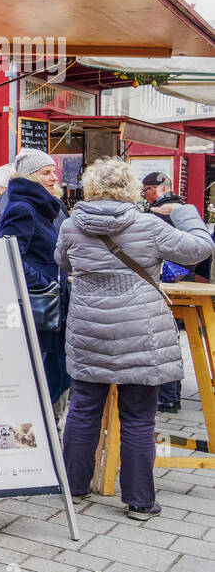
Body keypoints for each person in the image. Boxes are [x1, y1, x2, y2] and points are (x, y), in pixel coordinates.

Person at [55, 158, 214, 520]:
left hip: (89, 327)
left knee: (83, 409)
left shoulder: (71, 225)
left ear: (91, 187)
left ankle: (74, 487)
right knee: (139, 418)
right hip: (141, 331)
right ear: (130, 189)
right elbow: (198, 249)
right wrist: (186, 212)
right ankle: (140, 501)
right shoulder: (148, 225)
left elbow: (61, 261)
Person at [0, 149, 70, 401]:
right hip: (37, 306)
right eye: (45, 173)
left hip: (50, 305)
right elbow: (10, 257)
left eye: (53, 172)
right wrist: (47, 284)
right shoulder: (23, 208)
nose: (53, 178)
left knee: (58, 374)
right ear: (29, 177)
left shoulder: (45, 208)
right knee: (48, 375)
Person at [140, 171, 210, 411]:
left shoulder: (153, 216)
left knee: (160, 341)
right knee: (171, 339)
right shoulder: (186, 212)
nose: (145, 196)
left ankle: (166, 397)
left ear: (153, 189)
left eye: (145, 191)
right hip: (186, 285)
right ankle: (170, 397)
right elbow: (202, 251)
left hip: (157, 286)